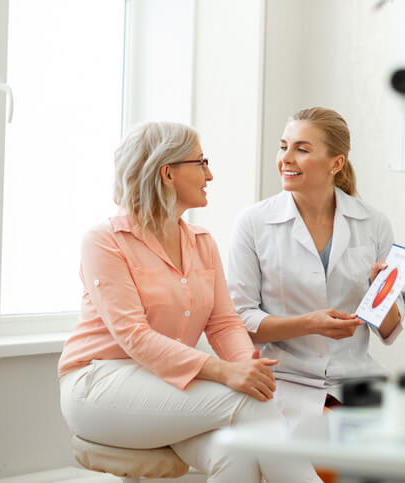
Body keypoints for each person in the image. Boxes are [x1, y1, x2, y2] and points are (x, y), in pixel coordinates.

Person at [58, 121, 322, 483]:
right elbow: (133, 335)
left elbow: (223, 322)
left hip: (163, 383)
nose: (209, 174)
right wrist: (225, 373)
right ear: (167, 173)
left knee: (237, 450)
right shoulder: (105, 241)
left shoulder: (201, 242)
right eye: (201, 162)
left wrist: (248, 368)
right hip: (98, 383)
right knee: (250, 404)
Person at [227, 107, 404, 420]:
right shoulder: (253, 223)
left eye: (302, 149)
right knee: (326, 457)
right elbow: (240, 321)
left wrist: (382, 293)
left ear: (335, 164)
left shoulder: (373, 223)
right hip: (285, 381)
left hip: (357, 380)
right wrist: (309, 323)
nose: (286, 158)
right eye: (284, 147)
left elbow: (389, 330)